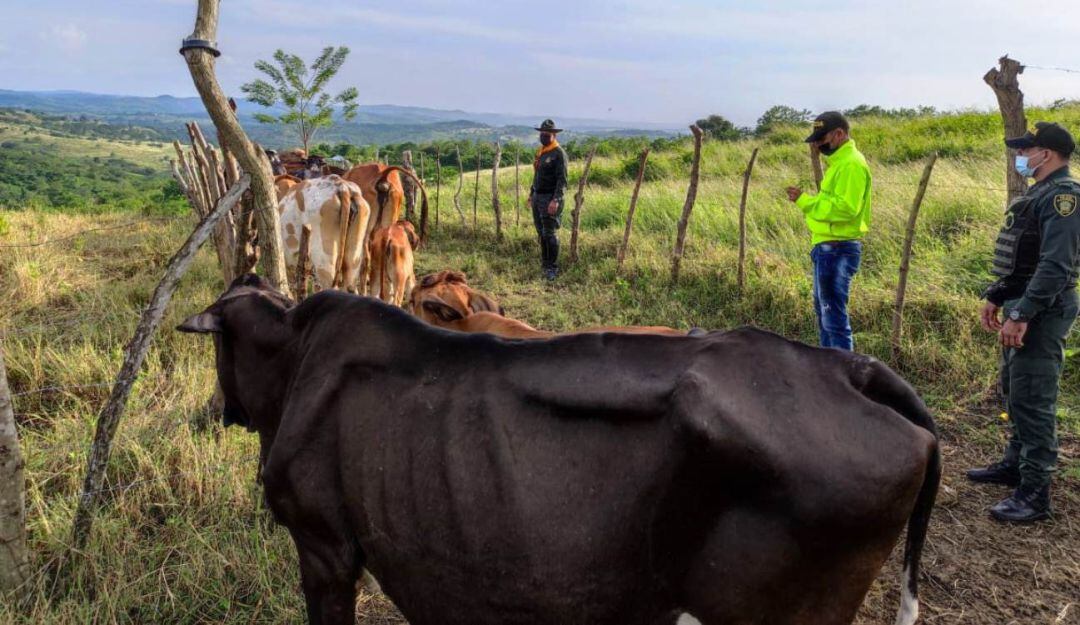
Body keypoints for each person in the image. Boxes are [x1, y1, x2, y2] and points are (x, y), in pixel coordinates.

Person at [967, 121, 1080, 524]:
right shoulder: (1041, 193)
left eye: (1027, 149)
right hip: (1023, 304)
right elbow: (1025, 257)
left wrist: (1022, 313)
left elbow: (1055, 266)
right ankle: (1015, 464)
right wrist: (998, 296)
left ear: (1045, 154)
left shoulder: (1063, 197)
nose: (1022, 156)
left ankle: (1035, 493)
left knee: (1034, 399)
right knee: (1015, 390)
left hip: (1043, 312)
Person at [785, 111, 872, 351]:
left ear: (839, 134)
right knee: (825, 315)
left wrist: (806, 201)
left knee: (833, 318)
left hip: (837, 249)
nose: (818, 144)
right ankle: (828, 372)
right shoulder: (840, 164)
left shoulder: (851, 165)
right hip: (828, 247)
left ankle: (843, 377)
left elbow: (846, 209)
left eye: (822, 139)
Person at [527, 119, 568, 280]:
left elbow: (562, 180)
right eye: (542, 134)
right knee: (541, 232)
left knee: (550, 233)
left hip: (550, 197)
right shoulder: (541, 151)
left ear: (554, 135)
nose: (543, 136)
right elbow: (537, 176)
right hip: (538, 196)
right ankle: (545, 263)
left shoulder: (559, 154)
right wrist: (531, 194)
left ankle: (552, 268)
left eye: (547, 134)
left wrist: (556, 200)